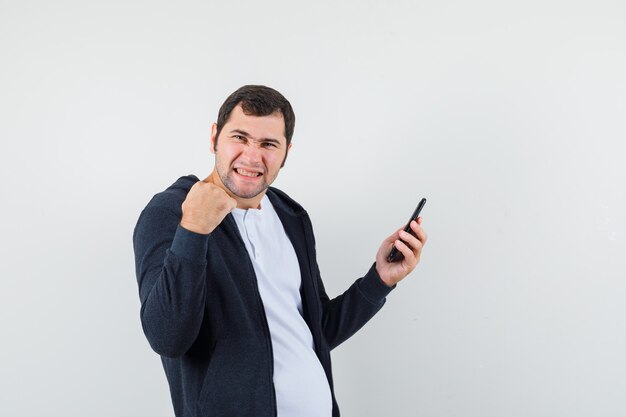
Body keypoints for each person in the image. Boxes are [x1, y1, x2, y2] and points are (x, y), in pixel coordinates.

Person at [132, 85, 428, 417]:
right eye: (240, 138)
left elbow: (316, 331)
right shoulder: (171, 212)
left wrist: (380, 280)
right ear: (215, 136)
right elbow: (166, 337)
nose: (251, 156)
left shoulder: (291, 216)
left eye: (268, 144)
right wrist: (194, 230)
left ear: (286, 151)